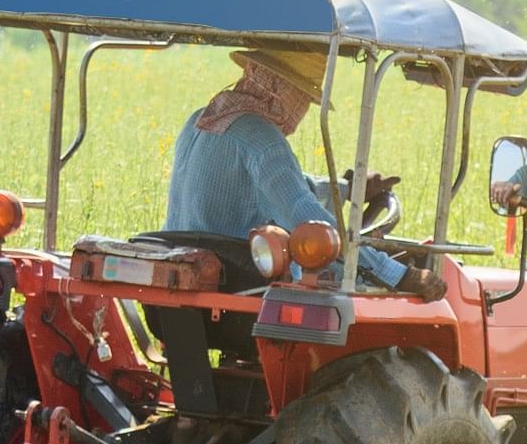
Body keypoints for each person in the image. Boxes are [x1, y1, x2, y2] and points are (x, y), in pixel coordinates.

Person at [163, 46, 407, 289]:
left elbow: (277, 187)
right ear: (280, 89)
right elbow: (306, 217)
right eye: (302, 98)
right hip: (240, 291)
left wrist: (346, 189)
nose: (301, 111)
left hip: (179, 282)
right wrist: (394, 273)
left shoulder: (200, 119)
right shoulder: (260, 135)